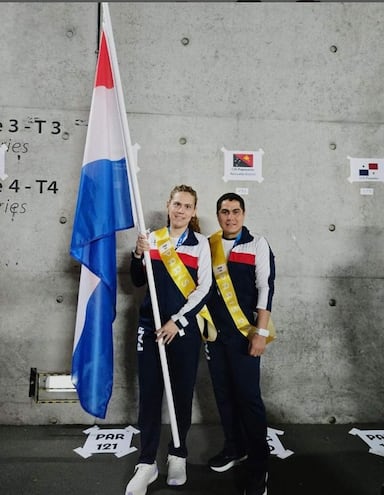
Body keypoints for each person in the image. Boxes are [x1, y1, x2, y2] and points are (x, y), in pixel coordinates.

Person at [125, 184, 212, 495]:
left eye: (187, 206)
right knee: (149, 396)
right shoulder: (152, 239)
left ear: (193, 211)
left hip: (183, 331)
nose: (180, 210)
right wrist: (138, 253)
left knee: (180, 394)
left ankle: (178, 455)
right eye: (177, 204)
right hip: (149, 328)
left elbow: (204, 290)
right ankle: (146, 463)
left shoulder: (200, 244)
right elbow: (137, 280)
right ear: (169, 205)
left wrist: (178, 321)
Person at [205, 192, 275, 495]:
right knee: (223, 396)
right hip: (215, 336)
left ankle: (260, 465)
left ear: (243, 214)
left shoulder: (257, 244)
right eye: (224, 212)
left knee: (249, 399)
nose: (230, 217)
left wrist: (260, 334)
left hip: (246, 335)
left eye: (235, 211)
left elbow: (265, 289)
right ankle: (235, 448)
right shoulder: (209, 245)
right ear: (218, 215)